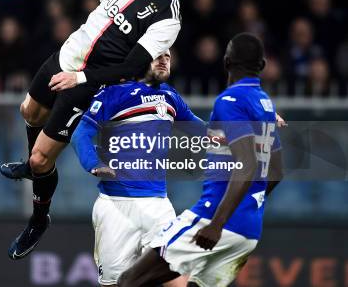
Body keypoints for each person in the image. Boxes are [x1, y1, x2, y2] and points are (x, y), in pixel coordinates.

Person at [0, 0, 203, 259]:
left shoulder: (169, 20)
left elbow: (131, 68)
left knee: (40, 158)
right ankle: (34, 167)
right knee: (29, 113)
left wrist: (79, 79)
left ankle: (38, 220)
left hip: (88, 84)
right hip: (65, 58)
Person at [117, 32, 284, 287]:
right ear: (262, 66)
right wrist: (248, 206)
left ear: (226, 62)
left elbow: (246, 164)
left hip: (212, 218)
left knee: (130, 281)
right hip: (248, 231)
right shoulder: (266, 105)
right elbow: (276, 173)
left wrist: (217, 223)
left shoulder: (230, 100)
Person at [71, 49, 203, 287]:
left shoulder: (170, 96)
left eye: (168, 57)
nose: (164, 61)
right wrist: (94, 164)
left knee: (177, 281)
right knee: (117, 283)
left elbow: (204, 130)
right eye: (158, 56)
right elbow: (81, 133)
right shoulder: (113, 94)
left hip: (159, 206)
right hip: (116, 207)